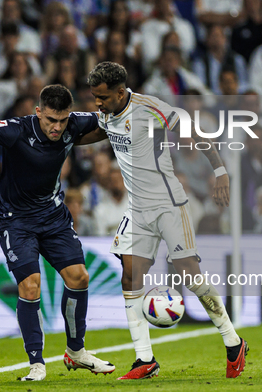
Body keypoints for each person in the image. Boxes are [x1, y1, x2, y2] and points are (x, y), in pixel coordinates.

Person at [80, 62, 248, 380]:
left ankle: (233, 341)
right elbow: (99, 131)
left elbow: (191, 130)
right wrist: (59, 141)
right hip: (137, 209)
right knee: (130, 277)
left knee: (190, 274)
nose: (97, 103)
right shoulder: (106, 113)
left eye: (102, 97)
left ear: (120, 92)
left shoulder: (149, 108)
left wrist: (220, 170)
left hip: (169, 204)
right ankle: (145, 359)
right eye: (94, 97)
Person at [0, 85, 115, 381]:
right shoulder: (16, 129)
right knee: (31, 284)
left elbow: (107, 122)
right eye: (50, 120)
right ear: (38, 112)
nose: (57, 127)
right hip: (14, 219)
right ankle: (37, 363)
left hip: (52, 215)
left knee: (80, 277)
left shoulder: (74, 123)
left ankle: (76, 352)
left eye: (62, 121)